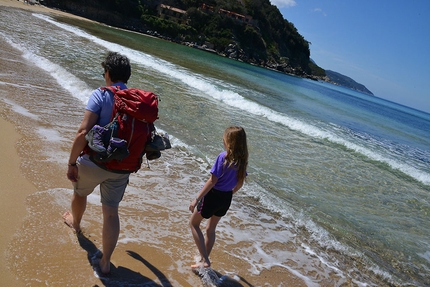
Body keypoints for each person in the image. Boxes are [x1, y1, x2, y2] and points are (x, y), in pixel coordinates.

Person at [64, 51, 134, 274]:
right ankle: (105, 263)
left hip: (94, 162)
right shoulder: (136, 99)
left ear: (108, 74)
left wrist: (72, 162)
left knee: (80, 193)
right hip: (122, 166)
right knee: (111, 212)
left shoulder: (101, 94)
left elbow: (83, 131)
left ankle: (75, 223)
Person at [188, 126, 248, 269]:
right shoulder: (242, 161)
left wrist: (196, 198)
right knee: (210, 229)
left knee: (194, 224)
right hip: (226, 198)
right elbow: (240, 183)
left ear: (229, 142)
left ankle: (205, 260)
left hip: (213, 196)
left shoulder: (223, 157)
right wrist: (229, 194)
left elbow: (212, 181)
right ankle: (203, 259)